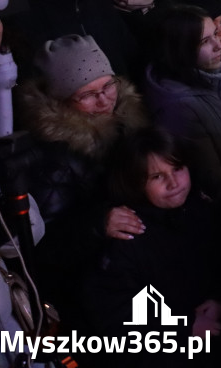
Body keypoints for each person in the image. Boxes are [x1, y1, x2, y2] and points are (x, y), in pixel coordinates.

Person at [85, 129, 221, 368]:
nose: (173, 183)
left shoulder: (205, 210)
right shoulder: (127, 237)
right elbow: (117, 323)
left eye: (178, 169)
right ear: (135, 184)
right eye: (157, 177)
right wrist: (185, 327)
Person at [21, 35, 149, 320]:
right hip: (96, 298)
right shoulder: (54, 160)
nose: (104, 100)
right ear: (61, 101)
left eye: (107, 86)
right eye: (87, 95)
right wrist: (97, 224)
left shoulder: (129, 122)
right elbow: (45, 253)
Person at [143, 5, 221, 217]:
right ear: (181, 50)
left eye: (215, 34)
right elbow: (209, 175)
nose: (217, 45)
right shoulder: (177, 107)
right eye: (204, 41)